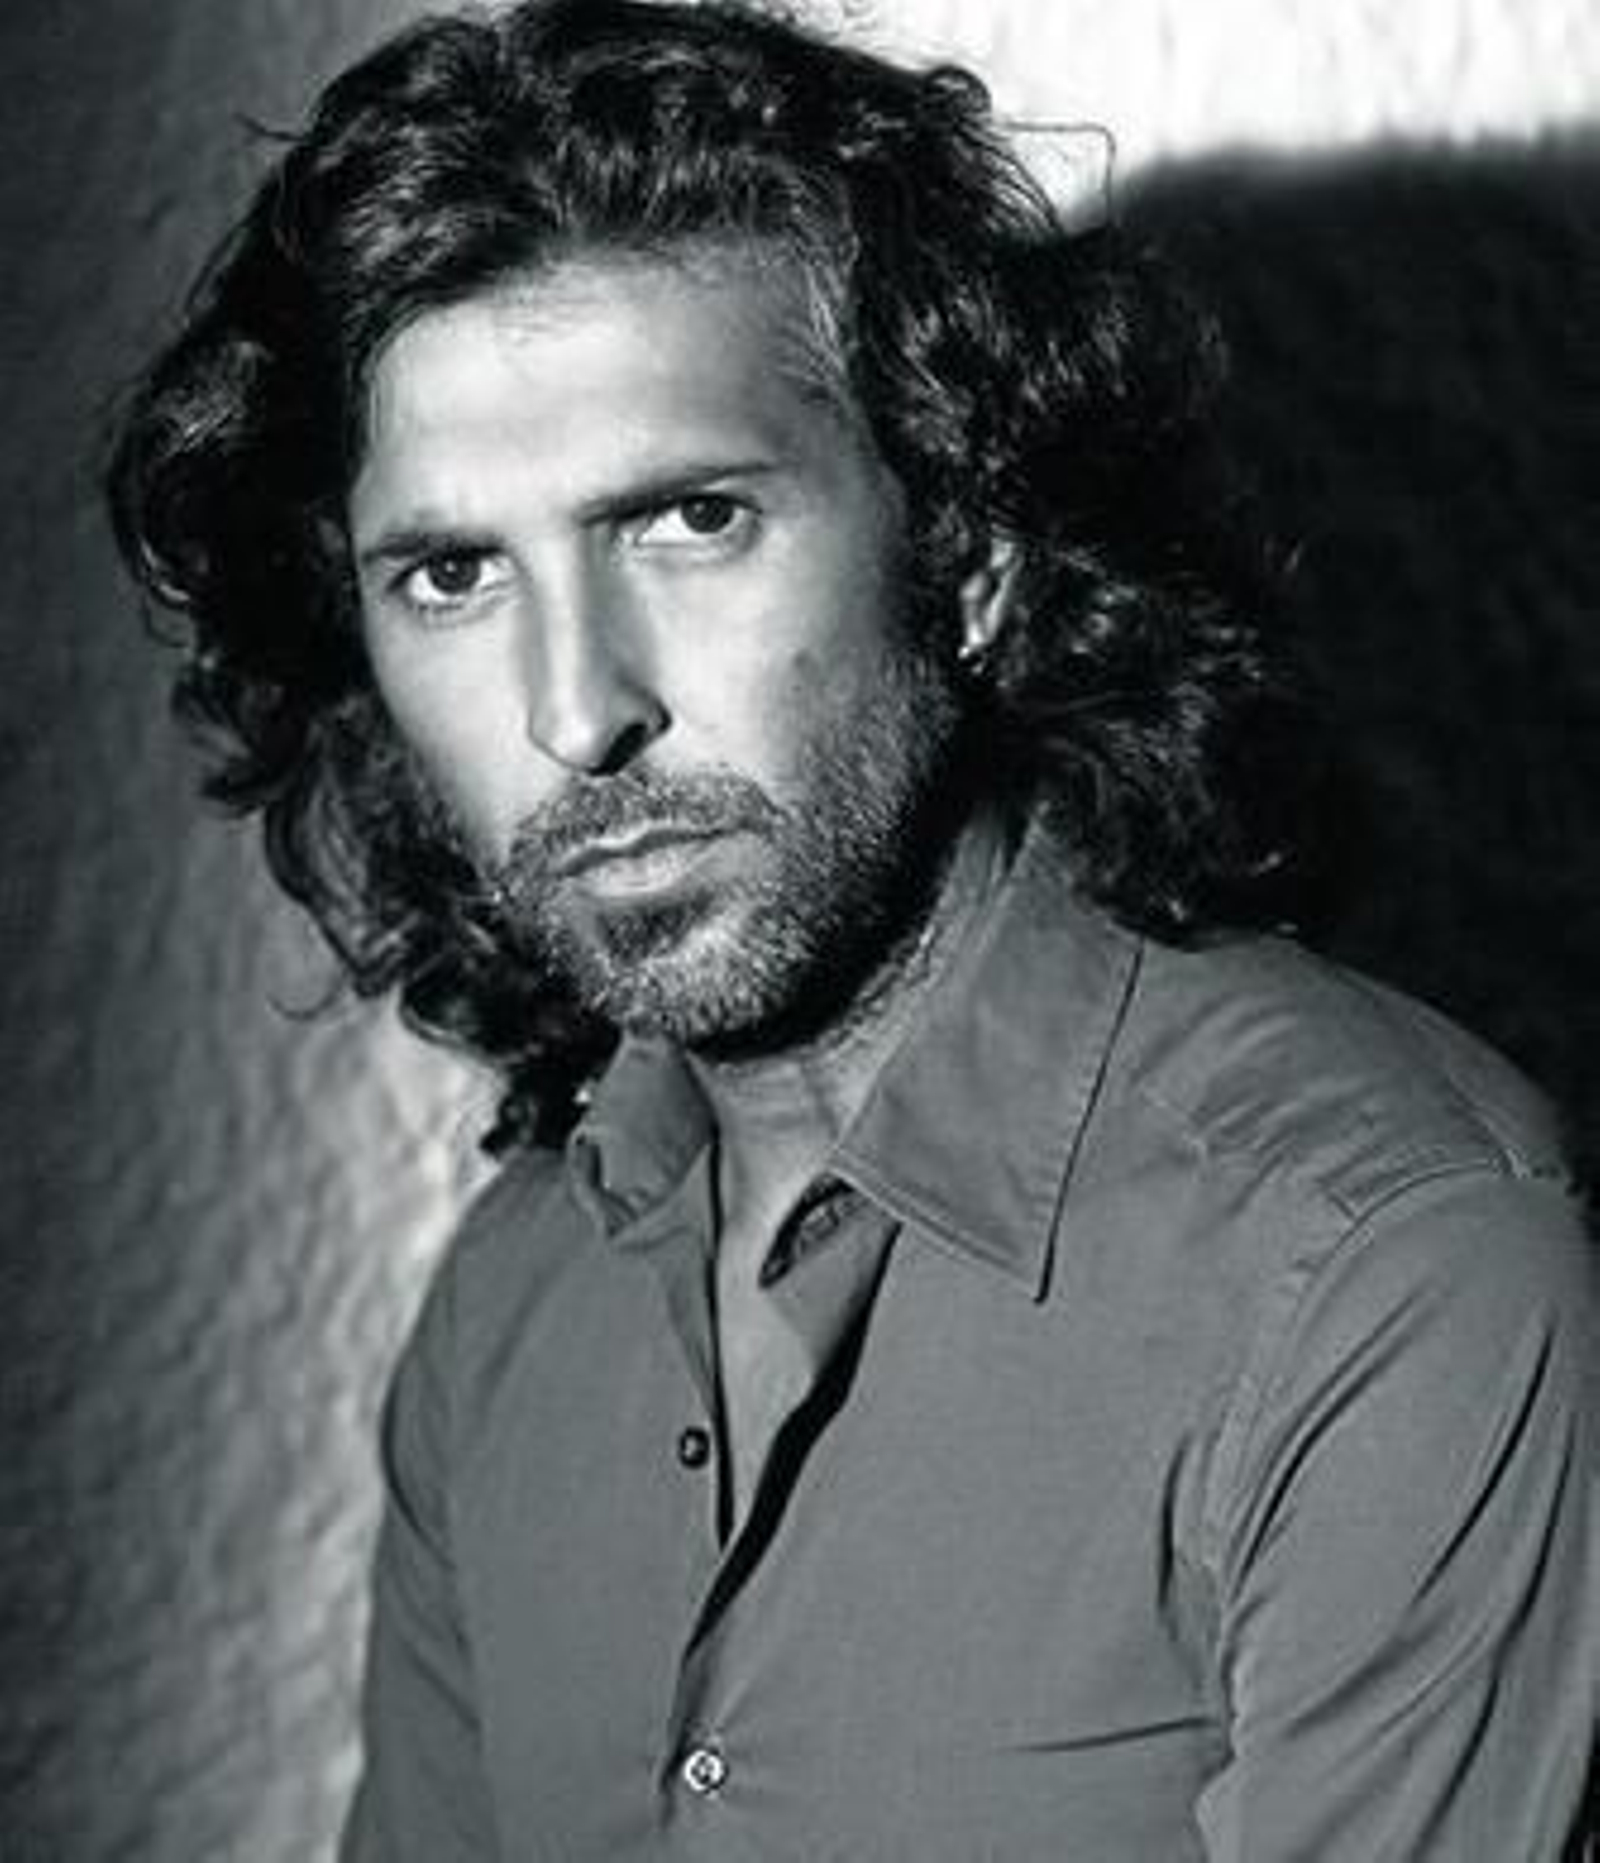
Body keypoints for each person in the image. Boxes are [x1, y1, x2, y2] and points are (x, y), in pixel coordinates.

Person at [106, 0, 1596, 1855]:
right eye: (454, 572)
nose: (577, 712)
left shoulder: (1391, 1276)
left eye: (688, 520)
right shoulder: (516, 1303)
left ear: (969, 553)